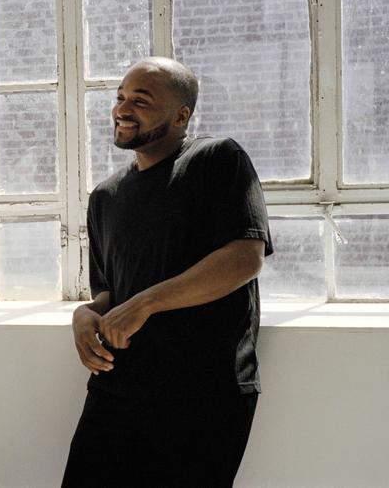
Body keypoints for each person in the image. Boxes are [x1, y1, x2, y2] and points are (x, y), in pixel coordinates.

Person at [62, 57, 273, 487]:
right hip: (116, 391)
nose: (123, 108)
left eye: (140, 100)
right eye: (120, 98)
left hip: (202, 395)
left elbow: (244, 258)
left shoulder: (217, 159)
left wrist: (145, 304)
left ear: (181, 115)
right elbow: (109, 295)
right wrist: (85, 315)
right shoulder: (105, 196)